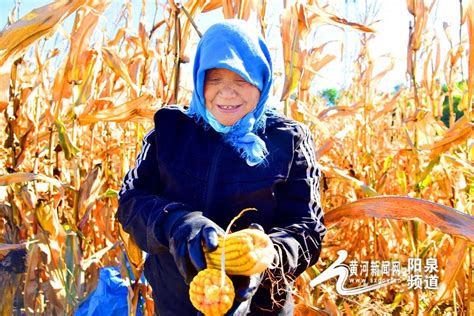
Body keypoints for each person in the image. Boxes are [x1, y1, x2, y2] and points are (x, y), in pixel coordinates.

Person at [117, 19, 326, 315]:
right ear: (200, 80)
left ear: (261, 80)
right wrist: (176, 223)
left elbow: (308, 229)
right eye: (214, 80)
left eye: (241, 80)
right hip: (177, 304)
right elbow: (130, 200)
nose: (227, 94)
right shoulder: (169, 129)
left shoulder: (290, 139)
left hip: (260, 307)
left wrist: (264, 259)